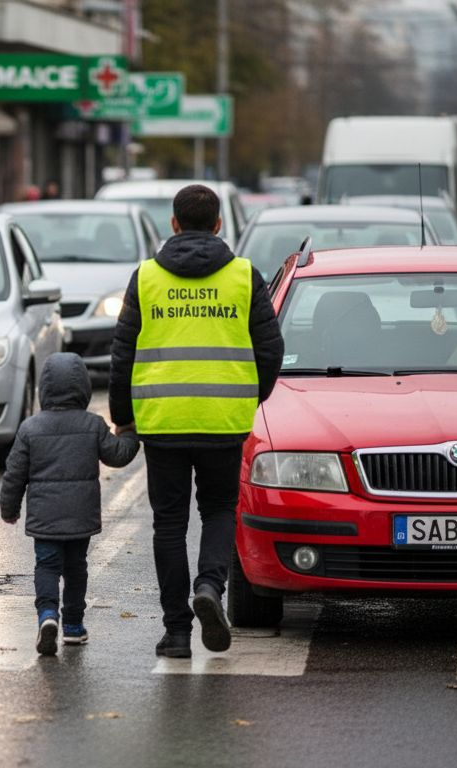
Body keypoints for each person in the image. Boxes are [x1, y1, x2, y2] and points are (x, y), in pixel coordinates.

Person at [109, 184, 283, 658]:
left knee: (168, 523)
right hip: (223, 418)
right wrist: (251, 396)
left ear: (174, 223)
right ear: (220, 224)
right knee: (219, 510)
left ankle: (177, 632)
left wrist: (123, 418)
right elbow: (270, 349)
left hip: (163, 419)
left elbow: (122, 352)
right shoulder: (245, 276)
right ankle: (210, 587)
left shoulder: (145, 277)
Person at [1, 352, 139, 655]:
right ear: (83, 388)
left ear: (44, 389)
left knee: (47, 567)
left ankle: (48, 615)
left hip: (45, 519)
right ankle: (74, 627)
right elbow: (117, 455)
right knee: (76, 570)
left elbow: (14, 474)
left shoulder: (30, 428)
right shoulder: (93, 425)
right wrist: (130, 434)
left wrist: (9, 510)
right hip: (80, 518)